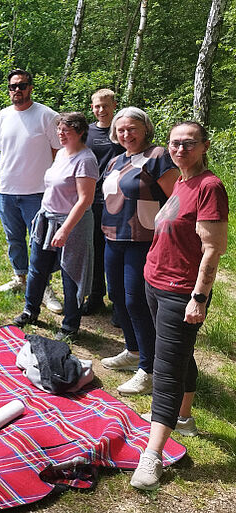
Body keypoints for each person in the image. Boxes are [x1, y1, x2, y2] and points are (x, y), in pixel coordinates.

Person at [130, 121, 228, 490]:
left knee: (166, 368)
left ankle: (152, 456)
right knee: (179, 355)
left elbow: (212, 249)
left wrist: (199, 297)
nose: (180, 149)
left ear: (204, 146)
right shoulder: (182, 182)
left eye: (189, 143)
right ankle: (182, 417)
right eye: (174, 143)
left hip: (181, 291)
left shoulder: (209, 187)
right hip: (156, 282)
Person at [100, 107, 179, 396]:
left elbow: (177, 199)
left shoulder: (158, 156)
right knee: (117, 297)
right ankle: (133, 350)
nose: (126, 134)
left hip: (144, 240)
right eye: (121, 129)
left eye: (132, 128)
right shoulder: (116, 160)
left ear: (146, 128)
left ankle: (149, 369)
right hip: (112, 237)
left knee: (137, 302)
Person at [13, 112, 98, 340]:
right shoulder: (61, 154)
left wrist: (65, 229)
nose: (60, 134)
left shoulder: (86, 160)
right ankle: (30, 311)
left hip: (72, 224)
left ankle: (70, 326)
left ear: (80, 132)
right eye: (59, 130)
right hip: (47, 219)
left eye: (66, 130)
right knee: (37, 267)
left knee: (71, 273)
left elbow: (85, 200)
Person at [0, 69, 63, 313]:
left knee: (40, 242)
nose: (17, 90)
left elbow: (59, 152)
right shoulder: (2, 116)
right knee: (14, 238)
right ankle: (20, 278)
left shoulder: (47, 116)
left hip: (38, 192)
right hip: (7, 190)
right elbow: (5, 151)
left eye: (22, 85)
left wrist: (53, 186)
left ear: (31, 87)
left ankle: (43, 285)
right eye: (13, 86)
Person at [83, 89, 124, 315]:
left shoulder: (123, 131)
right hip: (91, 200)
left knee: (116, 251)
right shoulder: (86, 132)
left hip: (119, 201)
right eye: (97, 106)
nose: (101, 110)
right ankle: (95, 296)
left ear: (114, 105)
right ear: (92, 107)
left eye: (105, 106)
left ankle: (119, 304)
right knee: (95, 251)